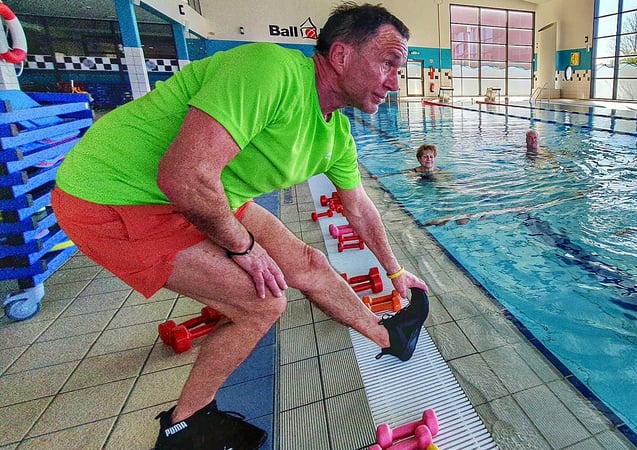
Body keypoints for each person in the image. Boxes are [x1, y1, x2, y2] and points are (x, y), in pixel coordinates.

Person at [51, 3, 429, 449]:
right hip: (112, 193)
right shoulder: (271, 70)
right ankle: (183, 427)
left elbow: (361, 209)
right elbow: (184, 176)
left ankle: (389, 336)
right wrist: (243, 247)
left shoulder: (335, 136)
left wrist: (396, 272)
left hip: (203, 193)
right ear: (342, 55)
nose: (394, 81)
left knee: (306, 262)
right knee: (262, 302)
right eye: (388, 63)